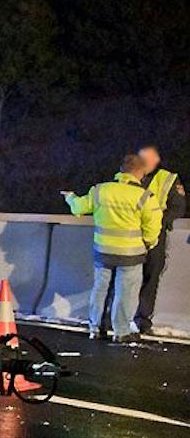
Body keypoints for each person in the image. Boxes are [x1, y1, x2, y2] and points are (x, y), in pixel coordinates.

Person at [63, 154, 162, 344]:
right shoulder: (144, 196)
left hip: (103, 251)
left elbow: (78, 208)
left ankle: (95, 328)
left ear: (121, 170)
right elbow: (153, 226)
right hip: (130, 254)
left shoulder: (101, 190)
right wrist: (148, 243)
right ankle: (121, 331)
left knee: (100, 289)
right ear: (140, 172)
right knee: (126, 293)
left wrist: (71, 197)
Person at [133, 145, 185, 334]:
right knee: (123, 277)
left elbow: (178, 207)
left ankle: (142, 320)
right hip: (132, 233)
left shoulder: (168, 178)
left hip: (156, 235)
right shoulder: (130, 176)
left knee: (150, 277)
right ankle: (114, 317)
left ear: (156, 161)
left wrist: (158, 222)